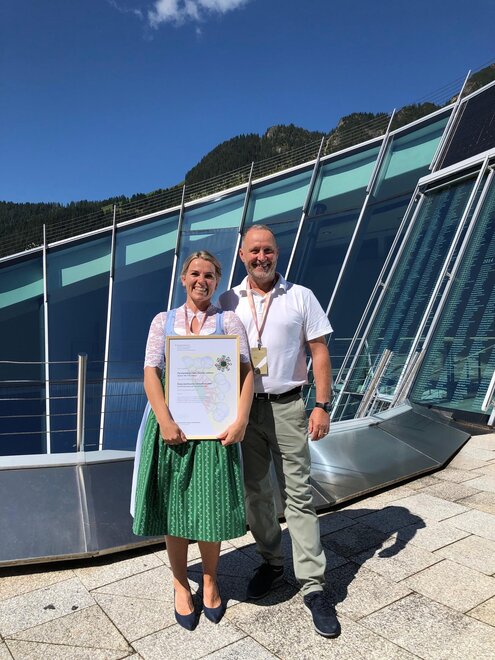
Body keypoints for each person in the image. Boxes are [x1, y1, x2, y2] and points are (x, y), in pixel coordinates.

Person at [219, 225, 339, 638]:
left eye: (267, 250)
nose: (261, 257)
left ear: (277, 253)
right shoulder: (228, 300)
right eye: (254, 251)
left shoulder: (300, 296)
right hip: (244, 411)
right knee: (256, 492)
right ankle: (271, 562)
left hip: (289, 406)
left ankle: (313, 585)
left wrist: (322, 405)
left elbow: (319, 351)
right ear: (242, 255)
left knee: (298, 494)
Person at [131, 250, 254, 631]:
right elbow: (151, 372)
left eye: (210, 275)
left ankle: (212, 579)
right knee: (175, 509)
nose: (202, 280)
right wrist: (164, 421)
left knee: (211, 506)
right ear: (183, 278)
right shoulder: (163, 321)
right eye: (195, 274)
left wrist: (241, 420)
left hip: (215, 429)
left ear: (217, 281)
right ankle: (181, 584)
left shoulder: (228, 320)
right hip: (173, 427)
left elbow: (247, 372)